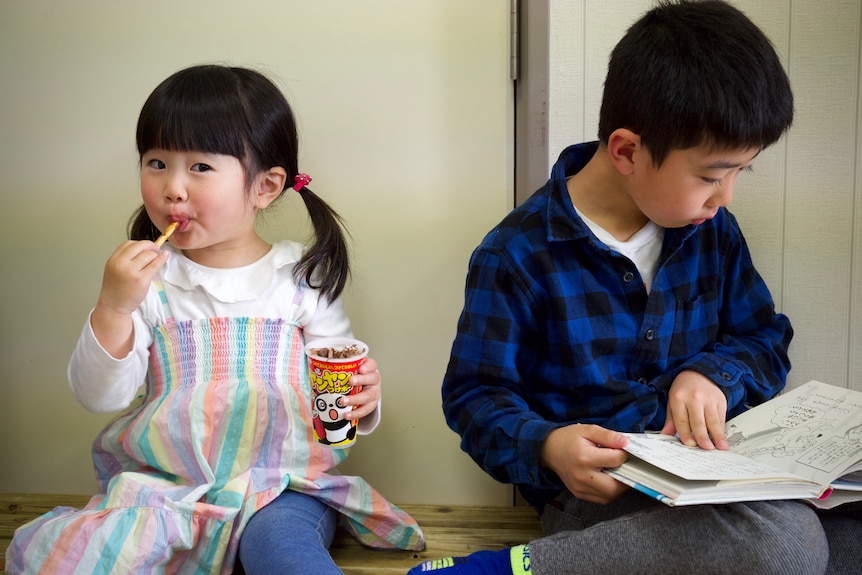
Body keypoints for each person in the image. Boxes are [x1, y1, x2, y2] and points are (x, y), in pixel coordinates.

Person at [409, 1, 860, 574]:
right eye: (712, 177)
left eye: (739, 175)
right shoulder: (518, 253)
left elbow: (763, 337)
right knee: (784, 546)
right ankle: (502, 571)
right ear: (627, 151)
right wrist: (548, 446)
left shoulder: (710, 229)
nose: (725, 199)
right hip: (605, 492)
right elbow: (474, 398)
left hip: (723, 478)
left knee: (829, 544)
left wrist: (710, 377)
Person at [5, 64, 423, 575]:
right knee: (67, 558)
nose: (172, 188)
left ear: (265, 186)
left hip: (282, 490)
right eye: (156, 162)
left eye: (200, 167)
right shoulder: (150, 286)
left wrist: (363, 398)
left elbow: (337, 398)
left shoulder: (301, 280)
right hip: (167, 490)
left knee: (281, 550)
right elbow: (100, 397)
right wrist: (113, 306)